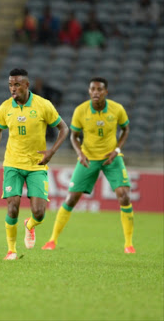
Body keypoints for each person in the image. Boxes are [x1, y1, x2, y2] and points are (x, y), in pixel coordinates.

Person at [42, 77, 135, 254]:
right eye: (92, 89)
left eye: (99, 89)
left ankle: (129, 244)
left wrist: (116, 149)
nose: (96, 92)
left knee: (124, 195)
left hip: (111, 158)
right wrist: (80, 153)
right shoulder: (81, 111)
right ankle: (52, 240)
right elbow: (73, 136)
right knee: (71, 199)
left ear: (106, 92)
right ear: (89, 91)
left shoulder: (117, 109)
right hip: (88, 158)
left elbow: (126, 129)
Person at [0, 68, 69, 260]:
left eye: (16, 84)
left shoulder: (43, 105)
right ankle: (11, 250)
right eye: (10, 85)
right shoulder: (5, 108)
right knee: (12, 206)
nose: (12, 89)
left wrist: (51, 151)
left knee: (39, 212)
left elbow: (63, 128)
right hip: (13, 163)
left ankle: (30, 224)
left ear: (26, 85)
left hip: (37, 164)